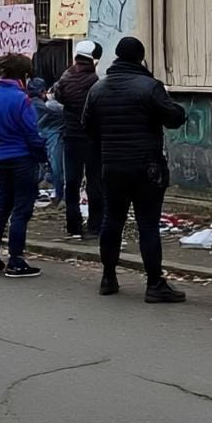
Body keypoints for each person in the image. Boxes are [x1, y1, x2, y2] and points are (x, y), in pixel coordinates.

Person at [83, 36, 187, 303]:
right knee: (148, 225)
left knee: (112, 220)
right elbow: (173, 118)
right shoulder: (149, 87)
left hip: (112, 165)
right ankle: (154, 283)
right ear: (140, 57)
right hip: (146, 166)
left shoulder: (99, 88)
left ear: (117, 56)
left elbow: (88, 126)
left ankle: (108, 277)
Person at [0, 54, 46, 278]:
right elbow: (31, 132)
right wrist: (41, 154)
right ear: (24, 76)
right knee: (21, 209)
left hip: (1, 157)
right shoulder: (22, 99)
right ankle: (16, 260)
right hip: (22, 157)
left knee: (0, 208)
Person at [55, 40, 103, 241]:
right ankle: (95, 226)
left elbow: (58, 97)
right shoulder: (95, 82)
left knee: (72, 183)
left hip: (70, 136)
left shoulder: (64, 79)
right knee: (95, 182)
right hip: (91, 139)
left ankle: (73, 226)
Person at [31, 77, 64, 204]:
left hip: (39, 137)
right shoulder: (55, 107)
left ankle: (34, 191)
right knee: (57, 167)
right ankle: (59, 194)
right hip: (53, 138)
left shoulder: (34, 104)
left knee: (38, 167)